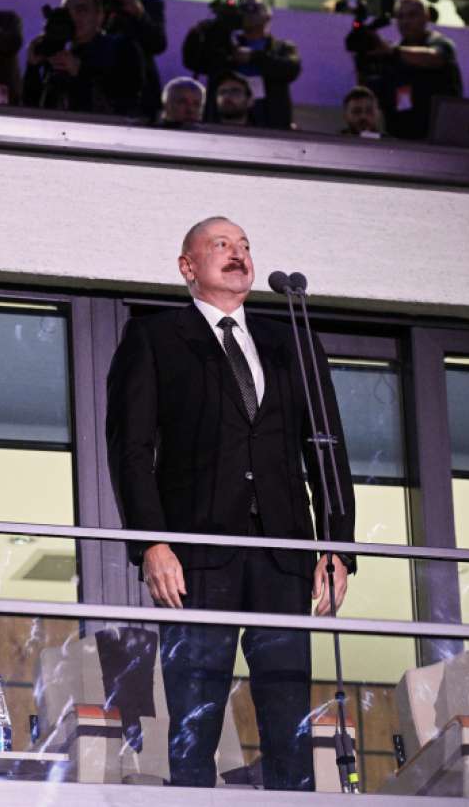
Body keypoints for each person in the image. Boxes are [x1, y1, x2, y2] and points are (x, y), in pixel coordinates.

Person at [106, 216, 355, 790]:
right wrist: (152, 543)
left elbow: (326, 447)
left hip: (283, 551)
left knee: (289, 713)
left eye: (244, 245)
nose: (238, 253)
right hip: (197, 552)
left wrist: (337, 547)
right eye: (221, 245)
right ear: (187, 266)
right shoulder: (154, 336)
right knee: (196, 710)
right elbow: (131, 450)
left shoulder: (291, 340)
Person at [354, 0, 462, 141]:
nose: (405, 21)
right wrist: (363, 61)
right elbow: (370, 94)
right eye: (400, 16)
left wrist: (392, 52)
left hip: (438, 138)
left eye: (412, 15)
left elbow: (434, 57)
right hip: (401, 138)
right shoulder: (390, 55)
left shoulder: (441, 43)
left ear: (426, 17)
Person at [183, 0, 301, 129]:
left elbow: (291, 69)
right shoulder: (224, 44)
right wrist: (201, 32)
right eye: (243, 9)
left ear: (268, 17)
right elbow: (193, 62)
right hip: (224, 122)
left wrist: (254, 57)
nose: (248, 14)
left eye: (254, 9)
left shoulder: (281, 48)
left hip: (270, 121)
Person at [23, 0, 144, 116]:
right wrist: (32, 68)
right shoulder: (57, 50)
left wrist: (80, 71)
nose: (73, 17)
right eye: (66, 12)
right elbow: (31, 107)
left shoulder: (121, 47)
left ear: (100, 16)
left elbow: (126, 96)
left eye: (81, 10)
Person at [98, 0, 168, 120]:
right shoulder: (94, 0)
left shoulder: (148, 3)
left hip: (141, 84)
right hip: (99, 79)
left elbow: (159, 44)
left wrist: (140, 15)